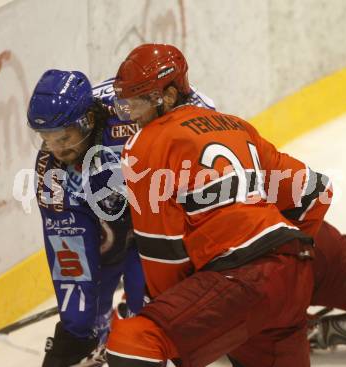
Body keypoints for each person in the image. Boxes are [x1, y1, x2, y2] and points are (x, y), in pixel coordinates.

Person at [106, 43, 333, 367]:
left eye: (138, 103)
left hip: (238, 280)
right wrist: (290, 260)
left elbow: (163, 247)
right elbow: (315, 192)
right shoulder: (235, 125)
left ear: (168, 96)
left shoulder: (146, 143)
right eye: (126, 105)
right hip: (295, 270)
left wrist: (178, 323)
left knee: (134, 341)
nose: (133, 115)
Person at [26, 68, 216, 367]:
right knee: (80, 315)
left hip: (155, 212)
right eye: (45, 139)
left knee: (157, 304)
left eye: (63, 137)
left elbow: (198, 113)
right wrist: (75, 333)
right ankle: (97, 339)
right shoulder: (51, 174)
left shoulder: (127, 115)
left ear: (86, 121)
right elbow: (70, 261)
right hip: (106, 222)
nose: (55, 149)